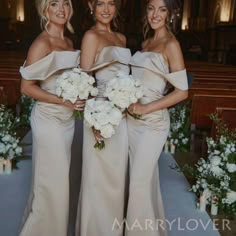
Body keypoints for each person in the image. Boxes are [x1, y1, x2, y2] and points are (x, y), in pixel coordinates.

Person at [18, 0, 84, 235]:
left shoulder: (68, 42)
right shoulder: (41, 43)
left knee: (60, 180)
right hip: (48, 120)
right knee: (51, 182)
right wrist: (62, 101)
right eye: (54, 3)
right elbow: (26, 87)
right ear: (45, 9)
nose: (61, 9)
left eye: (65, 3)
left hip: (67, 120)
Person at [126, 0, 188, 235]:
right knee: (144, 180)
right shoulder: (146, 42)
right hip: (132, 121)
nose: (155, 14)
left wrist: (145, 108)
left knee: (138, 183)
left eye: (162, 9)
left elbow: (182, 92)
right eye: (151, 8)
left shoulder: (171, 44)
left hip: (153, 123)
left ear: (171, 14)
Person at [75, 0, 131, 235]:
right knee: (97, 179)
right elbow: (85, 82)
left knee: (117, 180)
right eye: (100, 4)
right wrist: (94, 121)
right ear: (91, 6)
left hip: (123, 117)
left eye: (111, 3)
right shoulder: (90, 36)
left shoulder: (122, 39)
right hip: (100, 114)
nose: (106, 9)